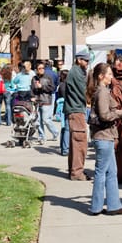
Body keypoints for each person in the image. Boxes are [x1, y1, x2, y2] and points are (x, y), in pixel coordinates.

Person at [87, 62, 122, 216]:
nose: (111, 77)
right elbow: (104, 115)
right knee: (101, 172)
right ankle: (96, 207)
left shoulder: (102, 91)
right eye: (109, 74)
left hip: (105, 136)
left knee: (111, 171)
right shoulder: (103, 92)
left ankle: (113, 205)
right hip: (104, 137)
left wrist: (121, 111)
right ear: (101, 76)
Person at [64, 50, 90, 181]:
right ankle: (77, 173)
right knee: (80, 143)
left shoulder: (76, 71)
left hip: (75, 110)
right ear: (79, 59)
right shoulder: (76, 73)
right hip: (76, 111)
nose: (87, 63)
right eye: (85, 60)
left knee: (76, 143)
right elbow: (84, 92)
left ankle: (74, 171)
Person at [32, 62, 59, 143]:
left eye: (43, 68)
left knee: (46, 119)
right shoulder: (34, 78)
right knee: (38, 120)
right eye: (40, 68)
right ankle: (41, 136)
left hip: (46, 100)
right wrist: (32, 96)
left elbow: (52, 88)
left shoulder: (48, 77)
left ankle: (55, 132)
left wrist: (42, 87)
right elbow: (32, 89)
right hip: (37, 101)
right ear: (36, 70)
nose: (42, 70)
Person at [56, 69, 69, 156]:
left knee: (64, 128)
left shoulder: (60, 85)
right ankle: (65, 148)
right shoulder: (65, 86)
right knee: (66, 128)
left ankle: (63, 146)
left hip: (61, 107)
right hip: (65, 107)